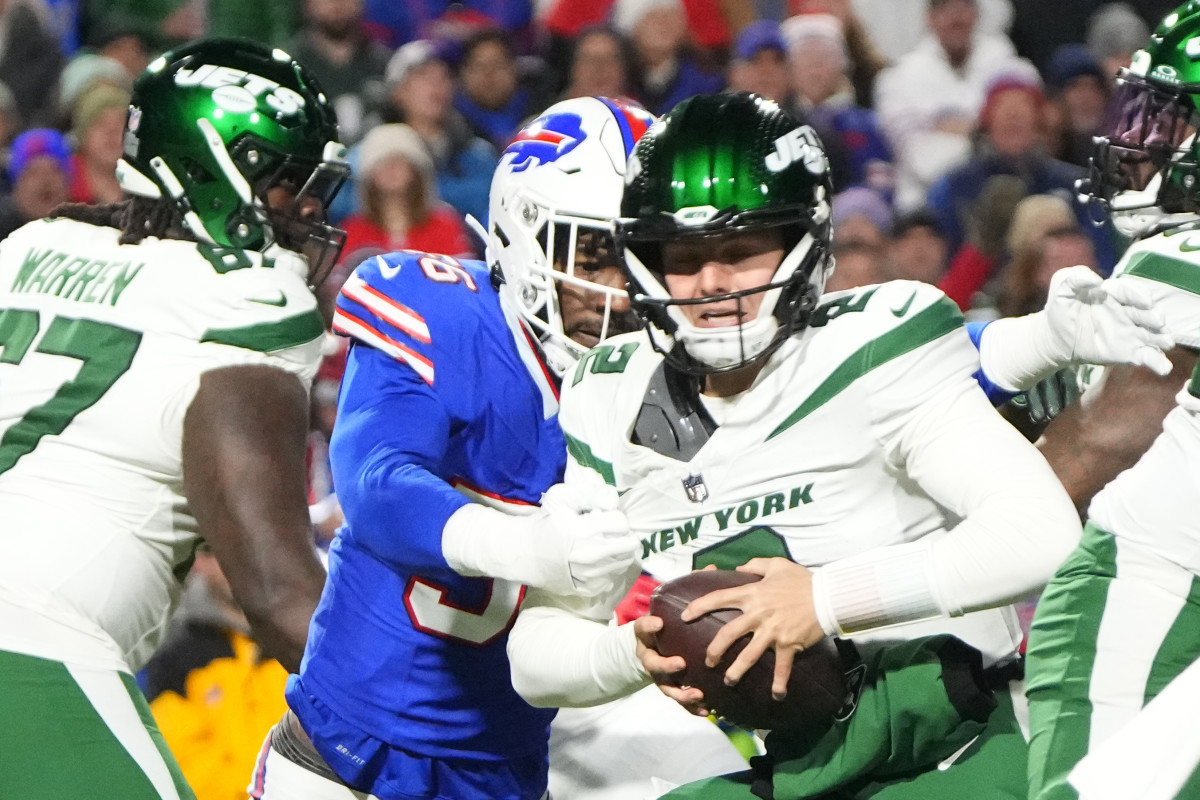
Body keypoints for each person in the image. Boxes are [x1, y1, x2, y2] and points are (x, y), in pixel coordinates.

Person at [505, 92, 1172, 800]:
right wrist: (631, 651)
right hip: (794, 768)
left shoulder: (874, 345)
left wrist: (824, 600)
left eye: (739, 250)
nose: (712, 283)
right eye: (685, 255)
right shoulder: (609, 395)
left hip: (954, 752)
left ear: (805, 242)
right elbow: (535, 660)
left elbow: (1037, 535)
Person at [248, 96, 664, 800]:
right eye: (596, 252)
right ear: (526, 235)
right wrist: (531, 547)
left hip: (509, 765)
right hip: (348, 752)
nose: (620, 288)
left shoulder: (657, 388)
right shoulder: (443, 312)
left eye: (641, 256)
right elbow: (376, 486)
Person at [0, 38, 349, 800]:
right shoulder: (248, 299)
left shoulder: (29, 247)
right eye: (292, 187)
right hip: (33, 651)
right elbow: (275, 592)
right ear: (219, 169)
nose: (312, 211)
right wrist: (442, 703)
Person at [1025, 6, 1200, 798]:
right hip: (1164, 595)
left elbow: (1076, 457)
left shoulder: (1175, 262)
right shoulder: (1170, 264)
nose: (1139, 144)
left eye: (1166, 121)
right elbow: (1089, 450)